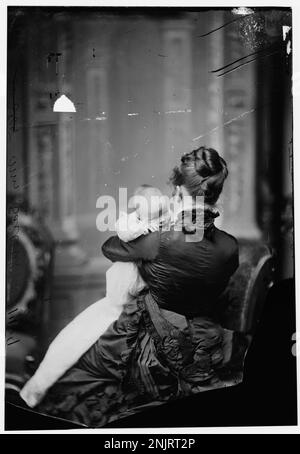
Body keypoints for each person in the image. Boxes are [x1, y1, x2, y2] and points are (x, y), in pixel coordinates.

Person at [20, 146, 239, 428]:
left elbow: (110, 247)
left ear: (180, 190)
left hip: (151, 346)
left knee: (77, 357)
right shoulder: (230, 246)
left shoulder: (159, 240)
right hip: (203, 337)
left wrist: (153, 222)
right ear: (215, 193)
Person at [20, 184, 170, 408]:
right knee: (68, 343)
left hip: (128, 312)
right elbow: (112, 248)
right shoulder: (150, 237)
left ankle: (37, 391)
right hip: (137, 309)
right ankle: (36, 389)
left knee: (71, 345)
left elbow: (119, 293)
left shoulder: (148, 244)